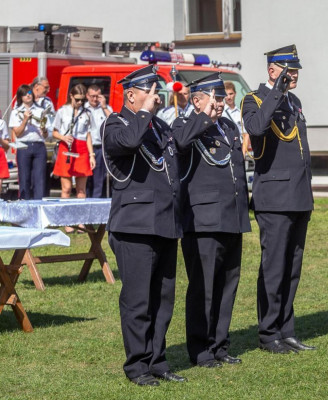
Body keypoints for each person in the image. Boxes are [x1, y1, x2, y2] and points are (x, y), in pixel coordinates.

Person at [103, 65, 187, 386]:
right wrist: (144, 114)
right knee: (138, 300)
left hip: (166, 222)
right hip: (135, 226)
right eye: (150, 92)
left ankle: (157, 360)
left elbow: (179, 151)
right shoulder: (118, 122)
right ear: (131, 95)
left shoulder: (158, 125)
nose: (156, 97)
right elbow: (126, 143)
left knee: (163, 299)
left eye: (158, 92)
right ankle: (137, 366)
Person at [172, 73, 250, 367]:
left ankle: (220, 344)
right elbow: (179, 143)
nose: (221, 103)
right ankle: (200, 349)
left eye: (222, 97)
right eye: (215, 98)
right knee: (203, 287)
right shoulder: (184, 124)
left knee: (227, 285)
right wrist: (203, 117)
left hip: (231, 216)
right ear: (197, 100)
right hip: (202, 220)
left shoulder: (229, 126)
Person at [241, 44, 315, 354]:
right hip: (274, 198)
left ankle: (287, 330)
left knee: (292, 269)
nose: (294, 74)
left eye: (296, 68)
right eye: (288, 68)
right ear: (273, 71)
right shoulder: (254, 99)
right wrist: (276, 92)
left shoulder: (294, 101)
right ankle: (268, 333)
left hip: (298, 196)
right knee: (274, 267)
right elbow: (256, 127)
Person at [9, 84, 52, 199]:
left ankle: (39, 204)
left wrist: (43, 129)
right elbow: (17, 133)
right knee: (24, 178)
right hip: (23, 146)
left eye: (29, 93)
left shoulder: (41, 110)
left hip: (39, 145)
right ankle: (25, 204)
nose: (27, 96)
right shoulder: (16, 111)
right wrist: (25, 120)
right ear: (20, 97)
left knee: (40, 179)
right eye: (24, 94)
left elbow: (46, 135)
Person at [52, 84, 95, 201]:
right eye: (77, 99)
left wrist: (92, 155)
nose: (80, 102)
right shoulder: (62, 111)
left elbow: (88, 135)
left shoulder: (87, 113)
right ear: (71, 96)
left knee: (81, 190)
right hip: (66, 148)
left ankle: (80, 219)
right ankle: (64, 217)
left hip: (82, 149)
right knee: (66, 188)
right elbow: (54, 132)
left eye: (83, 100)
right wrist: (63, 137)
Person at [85, 84, 113, 198]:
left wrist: (104, 107)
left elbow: (114, 121)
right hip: (86, 147)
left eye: (97, 96)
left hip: (100, 147)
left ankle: (96, 202)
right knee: (86, 179)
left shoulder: (105, 108)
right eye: (92, 96)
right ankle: (86, 202)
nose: (95, 99)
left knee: (99, 179)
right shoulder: (83, 109)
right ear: (87, 95)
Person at [221, 81, 249, 156]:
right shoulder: (220, 113)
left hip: (238, 148)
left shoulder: (240, 113)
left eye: (231, 94)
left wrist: (243, 154)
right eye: (226, 95)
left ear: (235, 94)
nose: (229, 97)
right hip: (226, 148)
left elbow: (245, 135)